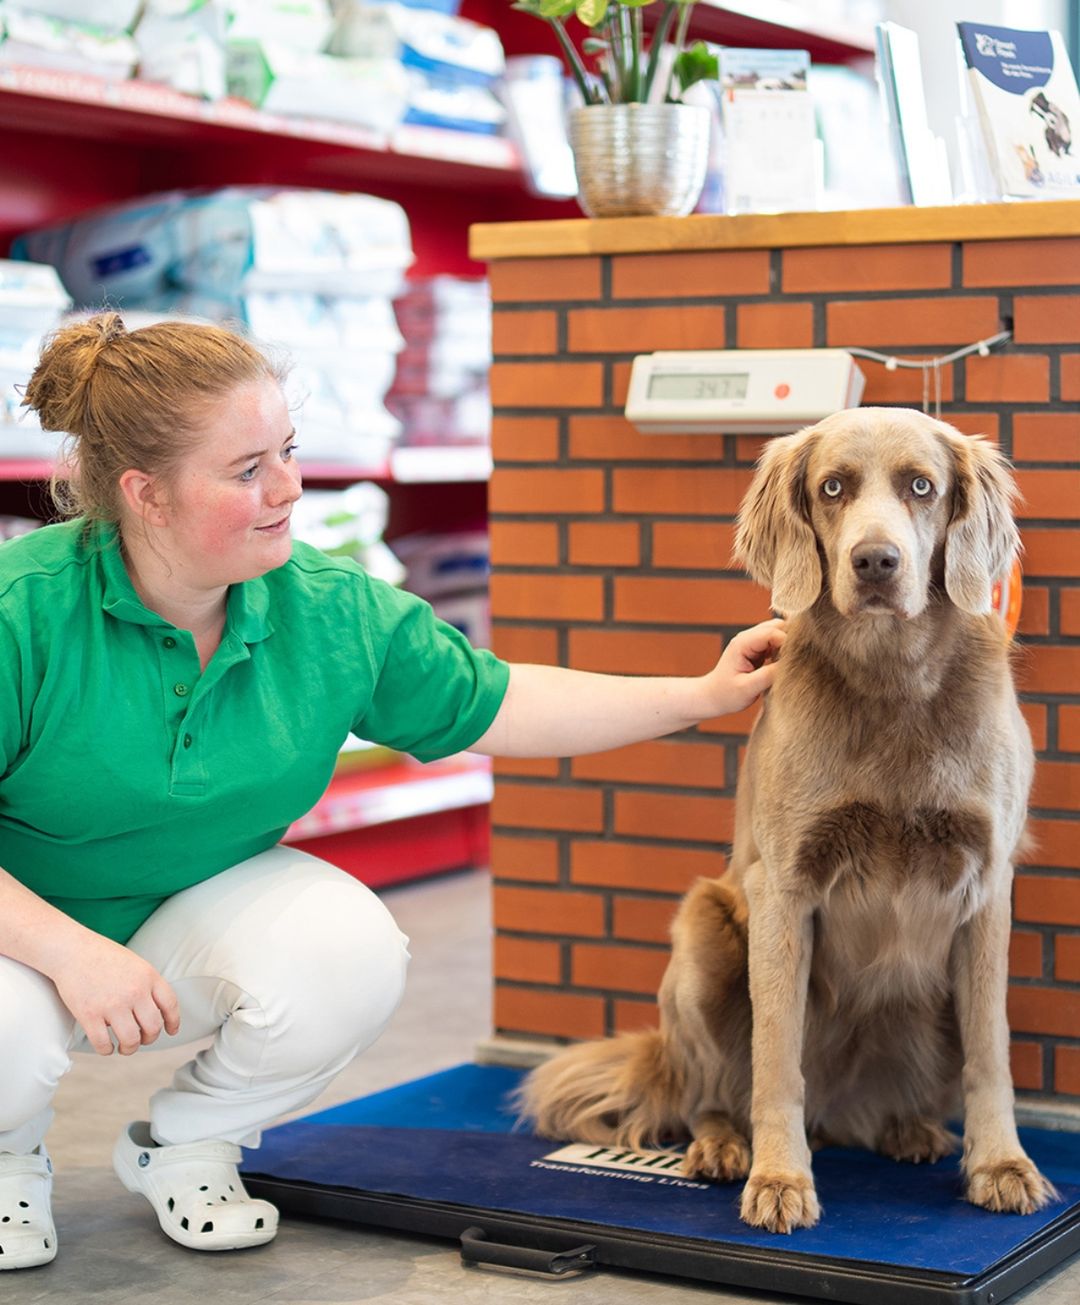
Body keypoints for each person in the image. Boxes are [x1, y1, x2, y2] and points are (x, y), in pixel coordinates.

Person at [0, 313, 785, 1270]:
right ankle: (6, 1162)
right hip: (23, 928)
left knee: (348, 950)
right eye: (248, 469)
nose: (290, 487)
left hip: (182, 915)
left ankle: (189, 1146)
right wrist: (73, 954)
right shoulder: (23, 610)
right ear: (145, 494)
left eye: (287, 451)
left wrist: (703, 694)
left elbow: (498, 703)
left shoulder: (328, 607)